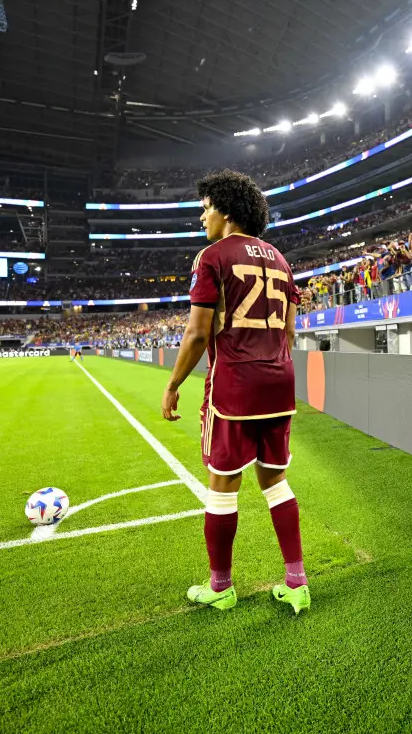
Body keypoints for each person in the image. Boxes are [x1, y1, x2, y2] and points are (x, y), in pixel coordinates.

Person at [160, 169, 309, 616]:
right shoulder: (280, 259)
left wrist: (172, 385)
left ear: (224, 210)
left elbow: (198, 333)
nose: (202, 217)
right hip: (279, 381)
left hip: (235, 387)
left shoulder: (211, 256)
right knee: (275, 481)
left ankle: (221, 586)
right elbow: (289, 329)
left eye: (205, 208)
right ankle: (296, 582)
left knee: (223, 485)